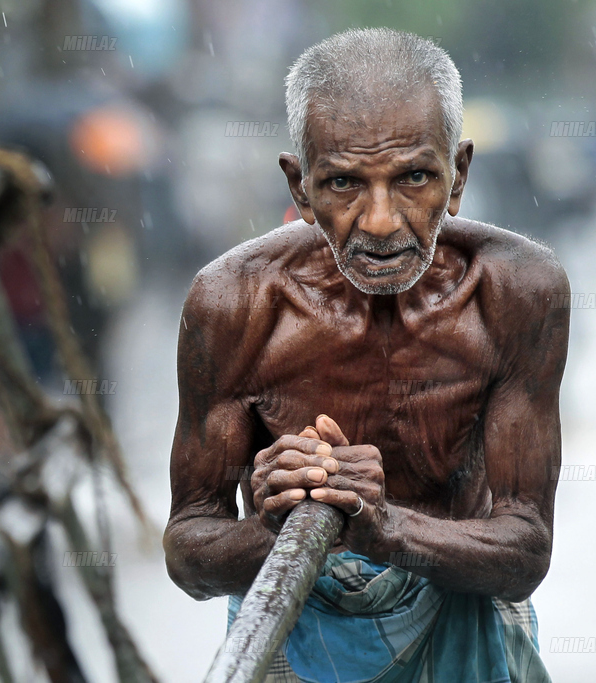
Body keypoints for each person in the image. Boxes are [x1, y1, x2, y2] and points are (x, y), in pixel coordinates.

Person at [164, 28, 569, 683]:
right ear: (300, 189)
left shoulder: (516, 291)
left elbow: (525, 549)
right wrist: (274, 522)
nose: (381, 222)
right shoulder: (232, 302)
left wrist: (385, 528)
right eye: (345, 183)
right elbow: (188, 550)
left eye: (413, 177)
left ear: (458, 174)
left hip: (463, 622)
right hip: (293, 638)